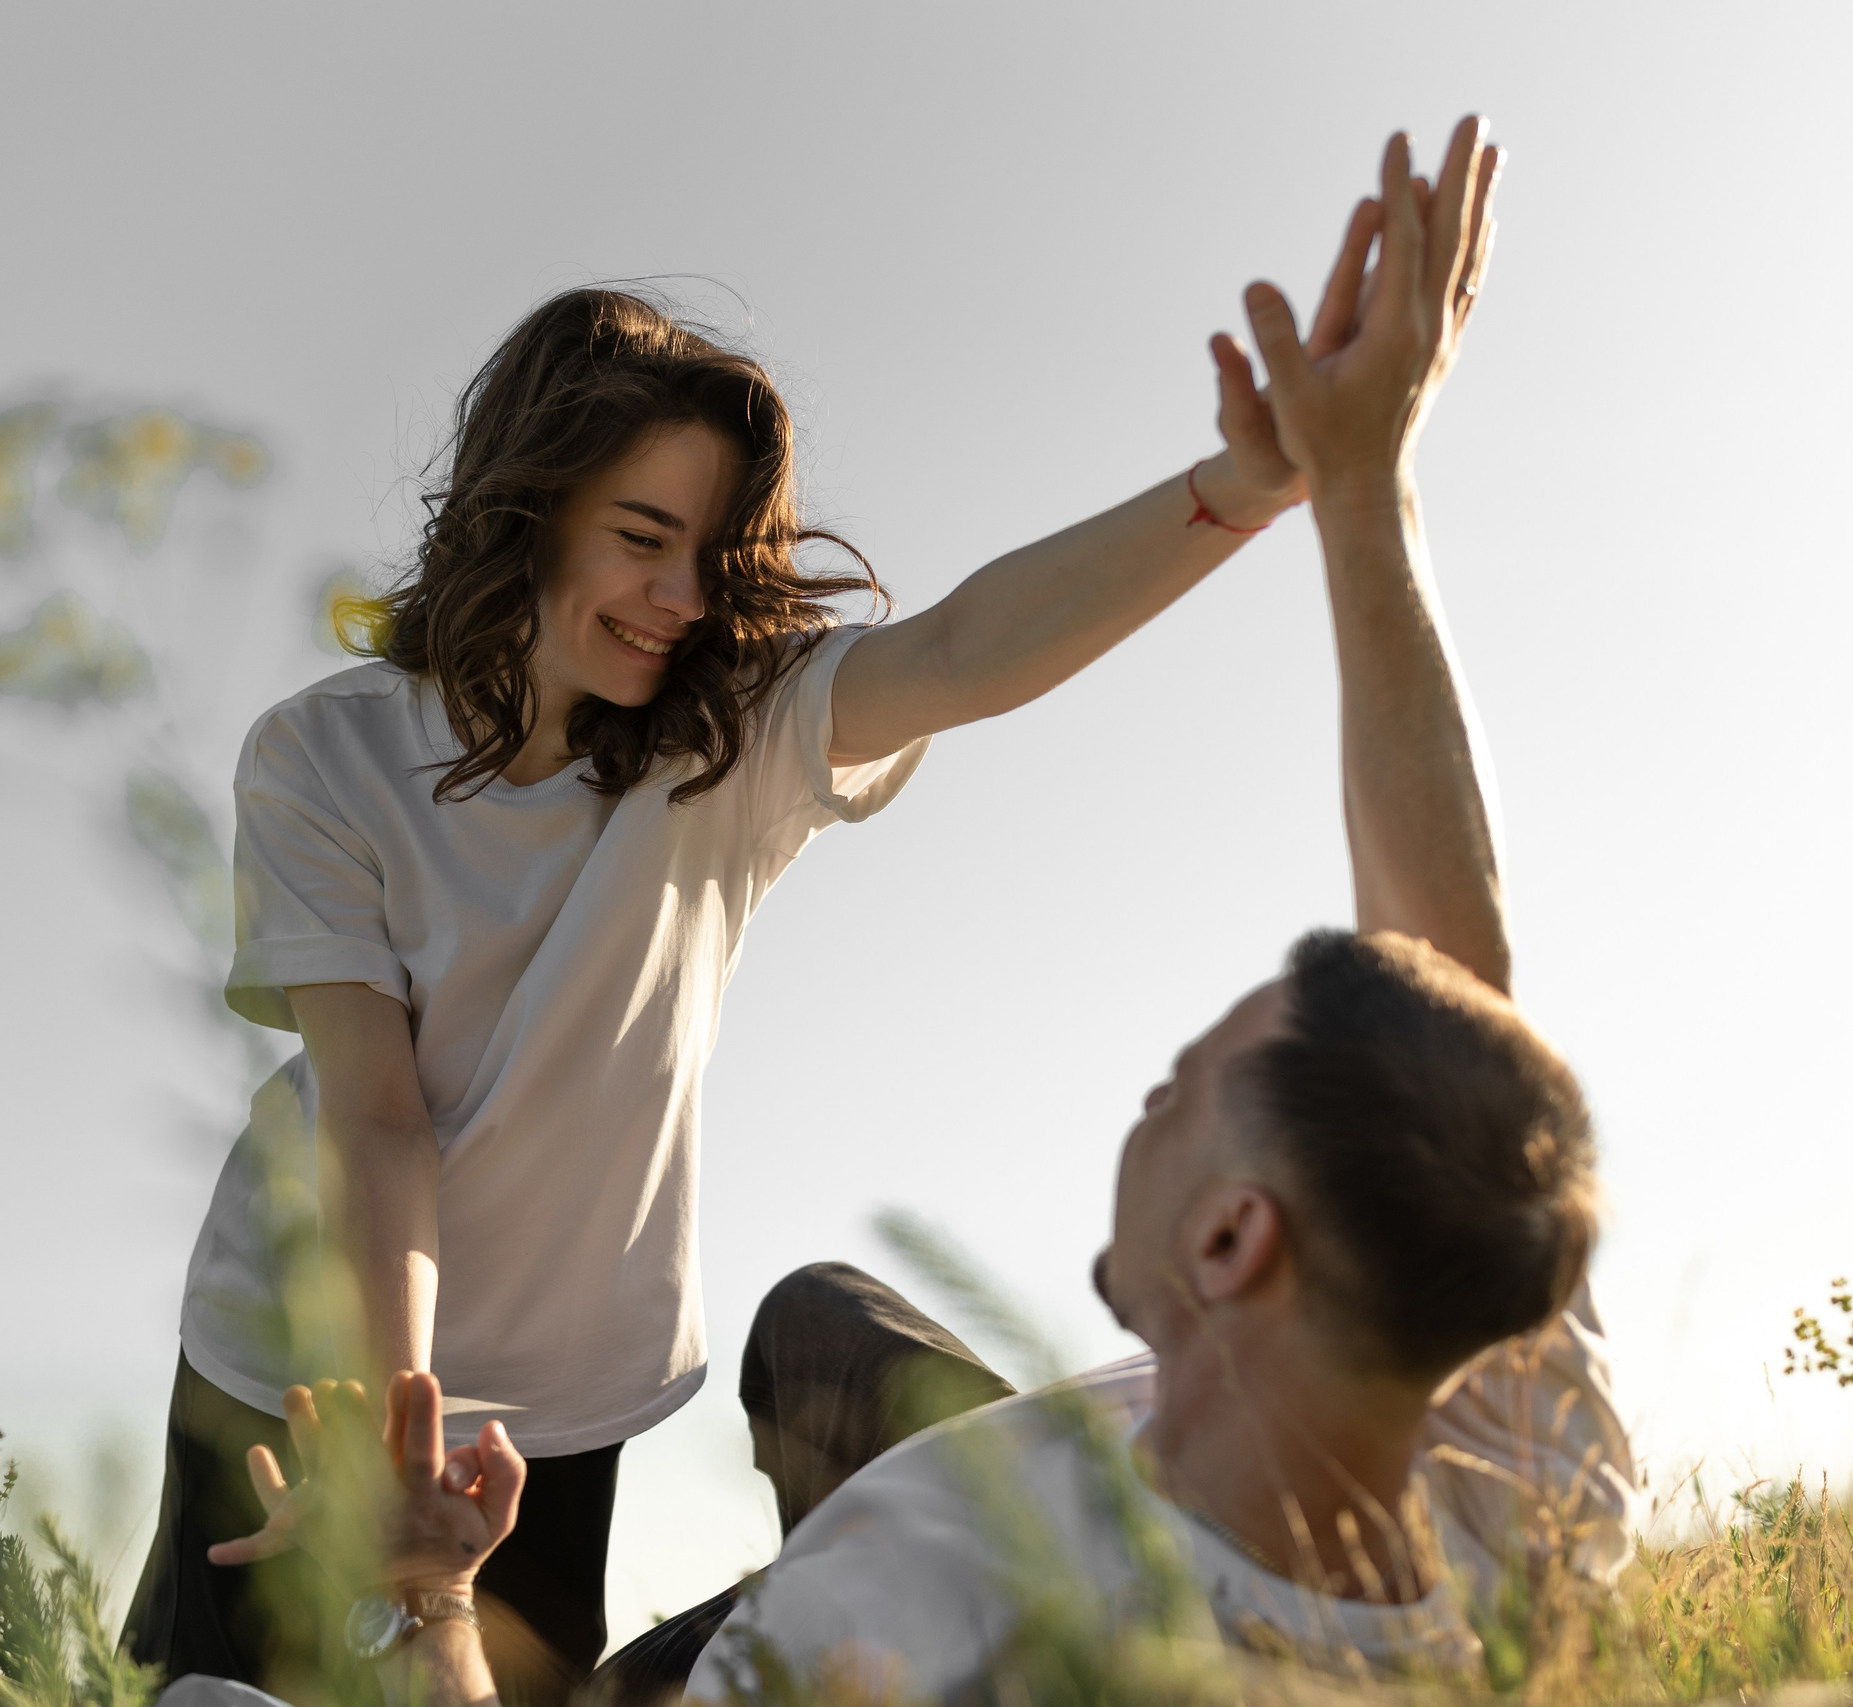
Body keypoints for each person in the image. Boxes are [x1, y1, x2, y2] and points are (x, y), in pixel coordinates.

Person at [124, 195, 1325, 1695]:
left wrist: (1240, 488)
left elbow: (960, 653)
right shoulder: (322, 758)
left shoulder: (727, 741)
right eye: (641, 538)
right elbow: (376, 1115)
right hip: (307, 1360)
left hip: (552, 1403)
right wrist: (386, 1421)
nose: (681, 601)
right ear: (526, 508)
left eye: (709, 553)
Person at [644, 116, 1640, 1696]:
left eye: (1183, 1084)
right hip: (1017, 1473)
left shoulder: (975, 1635)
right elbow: (1458, 987)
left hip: (800, 1617)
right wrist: (1364, 482)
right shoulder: (1509, 1427)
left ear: (1237, 1235)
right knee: (820, 1315)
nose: (1148, 1090)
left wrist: (434, 1604)